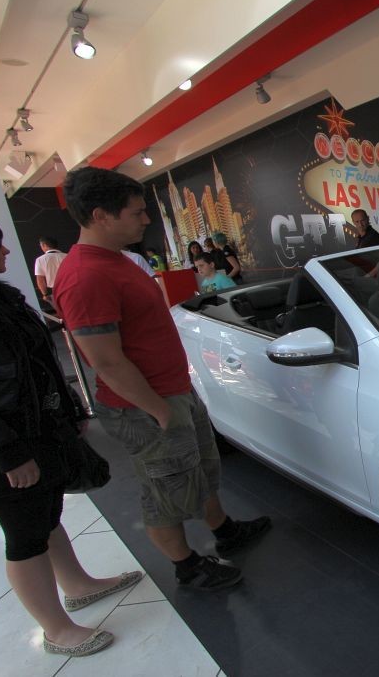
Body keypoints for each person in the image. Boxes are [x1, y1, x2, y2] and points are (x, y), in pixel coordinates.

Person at [53, 167, 271, 593]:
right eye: (136, 212)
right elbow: (106, 360)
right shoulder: (85, 276)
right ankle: (187, 566)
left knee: (200, 468)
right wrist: (157, 409)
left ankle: (224, 530)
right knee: (166, 488)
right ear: (101, 216)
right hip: (146, 405)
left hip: (172, 391)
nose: (146, 219)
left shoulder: (115, 260)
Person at [0, 216, 143, 658]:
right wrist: (8, 452)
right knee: (24, 533)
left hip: (36, 430)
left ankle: (76, 585)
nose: (7, 252)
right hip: (7, 446)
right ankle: (55, 629)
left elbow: (36, 364)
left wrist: (68, 407)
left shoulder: (1, 297)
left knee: (46, 512)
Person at [34, 236, 67, 303]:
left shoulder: (40, 260)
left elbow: (40, 280)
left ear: (44, 245)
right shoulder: (68, 256)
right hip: (72, 287)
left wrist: (45, 294)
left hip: (55, 291)